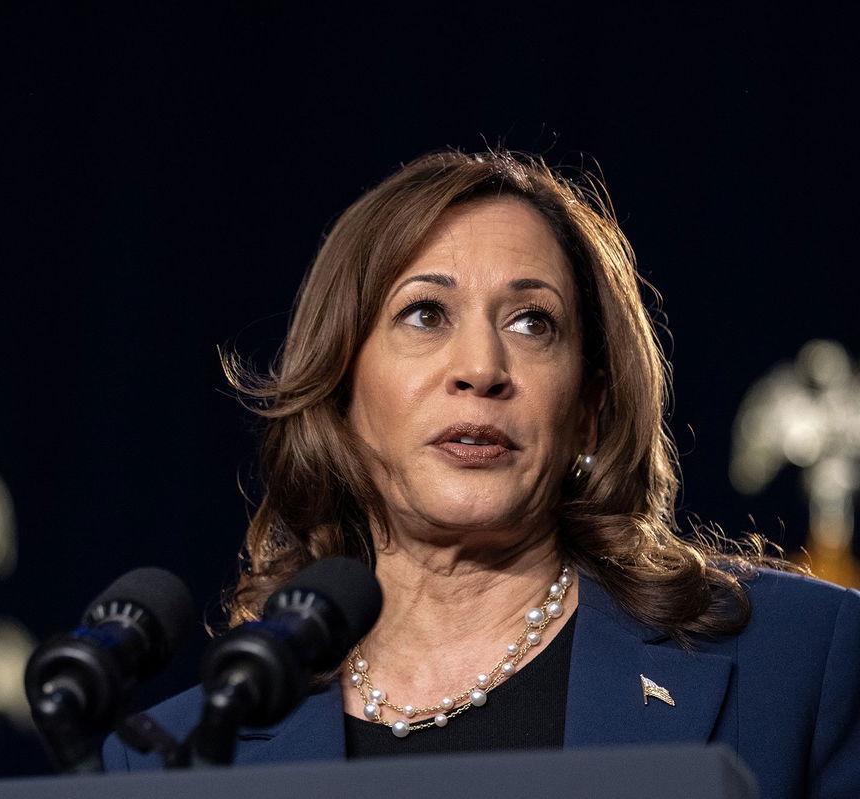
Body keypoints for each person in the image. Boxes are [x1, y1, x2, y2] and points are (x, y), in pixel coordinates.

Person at [103, 150, 860, 798]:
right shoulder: (174, 760)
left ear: (589, 410)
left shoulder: (801, 662)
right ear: (339, 388)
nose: (481, 369)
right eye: (426, 314)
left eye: (533, 323)